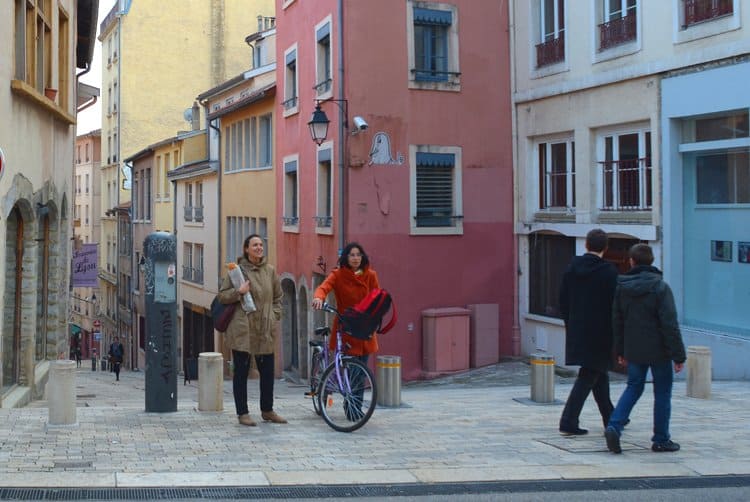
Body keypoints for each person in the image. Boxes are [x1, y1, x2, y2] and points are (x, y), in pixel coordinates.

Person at [605, 244, 686, 454]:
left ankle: (614, 425)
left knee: (633, 386)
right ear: (651, 261)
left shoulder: (622, 288)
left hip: (634, 348)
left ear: (631, 262)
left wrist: (620, 350)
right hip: (660, 350)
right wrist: (679, 355)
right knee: (662, 393)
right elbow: (669, 323)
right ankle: (661, 439)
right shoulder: (660, 288)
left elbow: (617, 321)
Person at [218, 234, 285, 426]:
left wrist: (274, 315)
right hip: (243, 329)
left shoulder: (270, 271)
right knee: (241, 372)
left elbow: (278, 297)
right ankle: (243, 413)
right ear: (246, 249)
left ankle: (267, 410)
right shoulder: (236, 272)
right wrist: (238, 292)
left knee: (267, 372)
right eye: (254, 245)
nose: (259, 248)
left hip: (264, 328)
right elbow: (222, 296)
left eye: (261, 245)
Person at [558, 228, 619, 436]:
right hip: (601, 332)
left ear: (586, 244)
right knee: (589, 375)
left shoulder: (571, 269)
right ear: (606, 247)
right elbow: (614, 305)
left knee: (598, 375)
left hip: (578, 329)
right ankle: (568, 420)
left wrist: (571, 324)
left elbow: (563, 301)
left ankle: (612, 418)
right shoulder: (609, 272)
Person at [312, 242, 380, 419]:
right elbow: (323, 288)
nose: (356, 258)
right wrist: (319, 298)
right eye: (352, 255)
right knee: (350, 369)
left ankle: (354, 408)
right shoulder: (338, 274)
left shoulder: (370, 275)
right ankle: (351, 406)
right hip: (346, 327)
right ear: (346, 258)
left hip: (364, 328)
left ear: (362, 257)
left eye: (358, 255)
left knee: (361, 370)